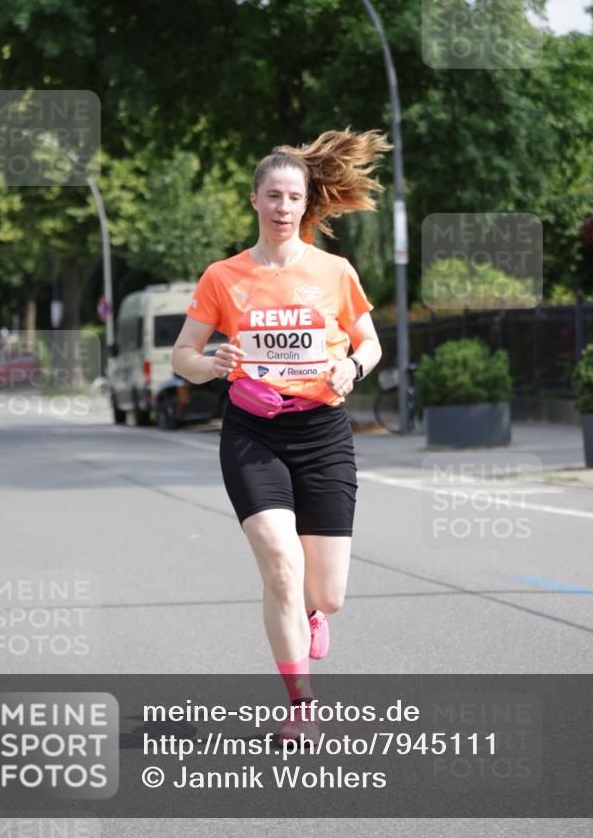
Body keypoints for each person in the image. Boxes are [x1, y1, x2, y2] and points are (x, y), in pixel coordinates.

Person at [172, 127, 387, 744]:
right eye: (272, 196)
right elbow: (181, 355)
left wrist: (351, 366)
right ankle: (300, 704)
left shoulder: (334, 271)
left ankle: (315, 613)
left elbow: (370, 341)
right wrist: (208, 362)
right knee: (280, 565)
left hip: (322, 431)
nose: (283, 207)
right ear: (255, 200)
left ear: (306, 203)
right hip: (252, 433)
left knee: (328, 591)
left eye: (293, 197)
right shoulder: (224, 276)